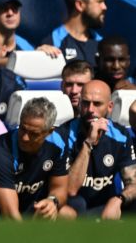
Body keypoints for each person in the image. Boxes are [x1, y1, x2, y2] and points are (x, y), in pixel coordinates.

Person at [0, 97, 68, 220]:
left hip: (26, 207)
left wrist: (53, 202)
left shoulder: (57, 147)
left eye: (34, 134)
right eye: (23, 129)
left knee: (67, 214)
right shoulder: (0, 152)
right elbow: (11, 215)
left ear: (49, 132)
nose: (25, 138)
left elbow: (59, 187)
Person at [55, 80, 136, 219]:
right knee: (75, 204)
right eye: (86, 103)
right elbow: (70, 190)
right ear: (79, 104)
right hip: (73, 207)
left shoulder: (121, 135)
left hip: (106, 206)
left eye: (97, 104)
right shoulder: (62, 134)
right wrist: (88, 144)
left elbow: (133, 183)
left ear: (110, 107)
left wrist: (119, 199)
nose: (91, 110)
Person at [40, 0, 106, 66]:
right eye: (99, 2)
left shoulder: (101, 42)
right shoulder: (52, 43)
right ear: (79, 5)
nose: (104, 7)